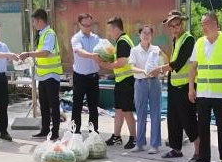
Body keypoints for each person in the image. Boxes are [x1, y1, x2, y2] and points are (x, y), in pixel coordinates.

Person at [188, 12, 222, 162]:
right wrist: (191, 88)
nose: (203, 27)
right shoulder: (199, 42)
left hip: (220, 93)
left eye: (206, 23)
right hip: (202, 93)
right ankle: (204, 157)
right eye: (202, 24)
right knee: (202, 126)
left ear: (215, 23)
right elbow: (193, 67)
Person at [151, 10, 200, 161]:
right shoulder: (176, 39)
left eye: (176, 25)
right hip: (174, 85)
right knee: (173, 119)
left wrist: (160, 69)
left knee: (188, 120)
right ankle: (176, 149)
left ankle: (199, 151)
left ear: (181, 24)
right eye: (171, 26)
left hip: (186, 86)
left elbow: (178, 63)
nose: (174, 28)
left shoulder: (188, 39)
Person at [20, 9, 64, 141]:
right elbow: (41, 54)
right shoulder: (42, 34)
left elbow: (45, 52)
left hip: (51, 75)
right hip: (43, 76)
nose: (33, 24)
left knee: (53, 105)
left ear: (39, 20)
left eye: (34, 21)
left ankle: (55, 132)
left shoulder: (49, 34)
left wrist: (28, 54)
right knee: (44, 105)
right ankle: (45, 130)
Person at [100, 16, 137, 149]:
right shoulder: (122, 41)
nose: (109, 33)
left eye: (110, 30)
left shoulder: (122, 42)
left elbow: (121, 62)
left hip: (126, 81)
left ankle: (134, 138)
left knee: (127, 110)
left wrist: (104, 65)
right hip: (121, 81)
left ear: (116, 29)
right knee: (119, 110)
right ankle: (116, 136)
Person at [128, 25, 163, 154]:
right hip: (140, 83)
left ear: (152, 35)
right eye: (144, 33)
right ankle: (140, 144)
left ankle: (155, 145)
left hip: (154, 83)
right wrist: (144, 71)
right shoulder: (134, 50)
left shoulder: (156, 49)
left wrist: (158, 71)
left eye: (149, 33)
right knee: (141, 114)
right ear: (139, 35)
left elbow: (161, 66)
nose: (146, 35)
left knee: (155, 113)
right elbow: (132, 68)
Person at [70, 13, 101, 133]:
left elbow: (102, 53)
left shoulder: (96, 38)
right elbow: (79, 51)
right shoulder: (76, 38)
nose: (88, 27)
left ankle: (93, 132)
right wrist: (92, 56)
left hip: (93, 77)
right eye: (85, 25)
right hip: (80, 77)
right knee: (77, 105)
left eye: (90, 25)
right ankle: (75, 132)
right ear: (79, 24)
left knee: (93, 106)